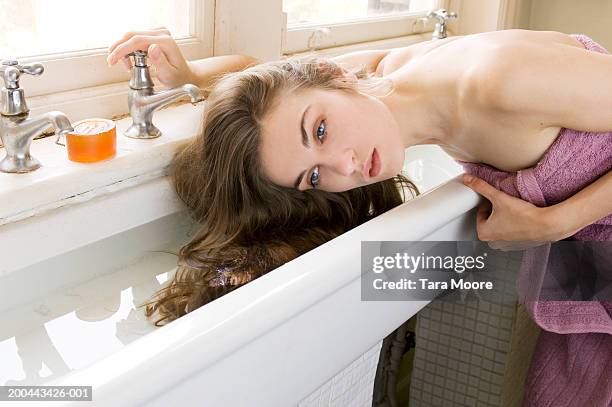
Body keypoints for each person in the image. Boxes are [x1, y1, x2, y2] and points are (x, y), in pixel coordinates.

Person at [106, 27, 612, 325]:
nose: (345, 168)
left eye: (321, 132)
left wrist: (558, 223)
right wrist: (189, 74)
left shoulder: (497, 81)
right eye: (313, 178)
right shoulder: (369, 76)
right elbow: (263, 78)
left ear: (334, 77)